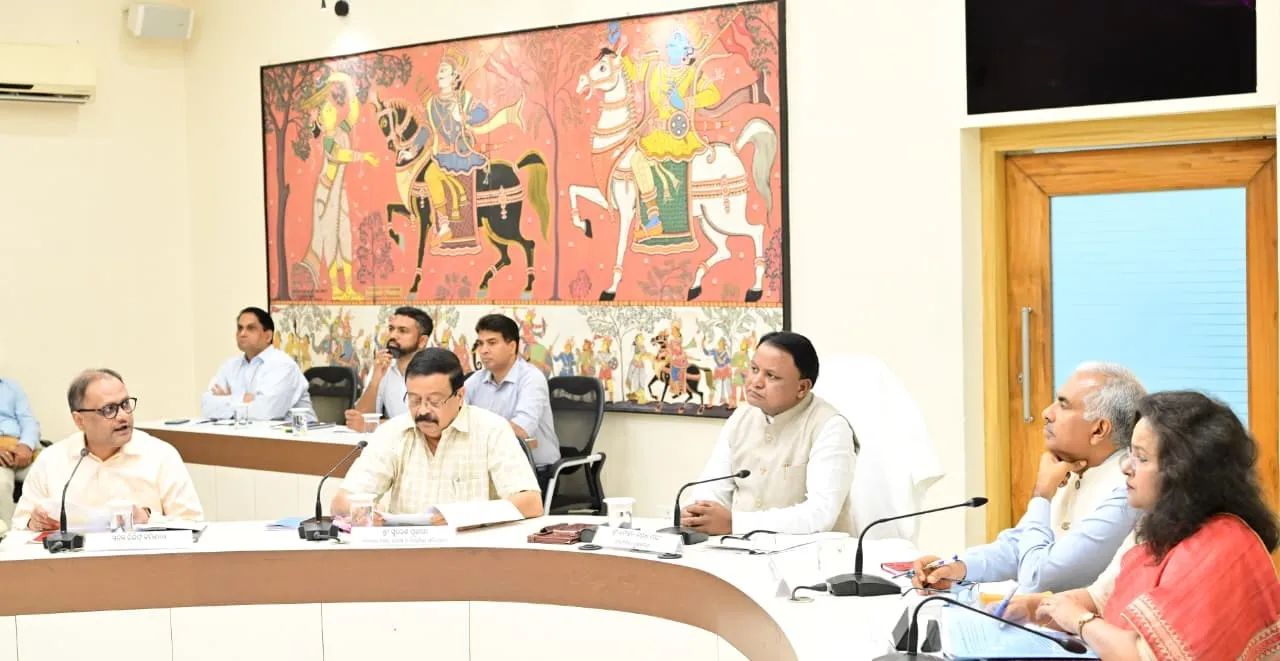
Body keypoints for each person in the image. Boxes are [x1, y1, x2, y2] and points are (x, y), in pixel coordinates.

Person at [1000, 391, 1280, 661]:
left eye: (1142, 457)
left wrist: (1080, 621)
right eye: (1129, 453)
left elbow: (1147, 656)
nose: (1126, 467)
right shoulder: (1158, 523)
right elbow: (1100, 597)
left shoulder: (1222, 546)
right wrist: (1034, 608)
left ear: (1184, 472)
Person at [913, 362, 1145, 593]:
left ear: (1098, 430)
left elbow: (1038, 577)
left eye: (1063, 405)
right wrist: (957, 569)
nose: (1047, 413)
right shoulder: (1071, 468)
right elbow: (1017, 547)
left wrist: (1041, 495)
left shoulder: (1128, 489)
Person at [330, 348, 542, 523]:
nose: (422, 411)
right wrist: (366, 516)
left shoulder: (492, 430)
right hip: (404, 555)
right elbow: (342, 501)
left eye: (434, 401)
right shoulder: (392, 433)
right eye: (414, 400)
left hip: (473, 555)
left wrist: (459, 517)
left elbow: (530, 502)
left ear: (459, 395)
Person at [679, 331, 857, 535]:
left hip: (809, 556)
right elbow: (713, 487)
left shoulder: (829, 426)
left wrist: (735, 524)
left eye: (771, 376)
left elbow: (821, 514)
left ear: (802, 387)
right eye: (754, 369)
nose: (755, 381)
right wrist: (699, 512)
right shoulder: (741, 417)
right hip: (738, 548)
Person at [13, 369, 203, 531]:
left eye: (125, 404)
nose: (122, 416)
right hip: (72, 570)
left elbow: (193, 524)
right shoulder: (52, 460)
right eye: (109, 409)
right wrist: (34, 523)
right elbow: (20, 524)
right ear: (80, 420)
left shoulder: (161, 455)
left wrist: (147, 518)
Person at [464, 314, 560, 472]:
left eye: (492, 343)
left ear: (512, 347)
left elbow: (521, 431)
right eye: (480, 344)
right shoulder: (477, 378)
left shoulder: (532, 378)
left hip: (533, 469)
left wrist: (474, 433)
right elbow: (453, 412)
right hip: (490, 464)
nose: (483, 351)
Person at [201, 307, 315, 422]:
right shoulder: (229, 366)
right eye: (240, 328)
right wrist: (247, 398)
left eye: (250, 328)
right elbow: (207, 407)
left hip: (295, 436)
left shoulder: (282, 365)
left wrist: (227, 400)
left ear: (268, 336)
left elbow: (266, 412)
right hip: (246, 434)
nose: (242, 333)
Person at [345, 307, 432, 430]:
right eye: (391, 329)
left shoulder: (435, 370)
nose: (393, 335)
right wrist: (375, 380)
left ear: (422, 341)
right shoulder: (383, 367)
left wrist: (372, 425)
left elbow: (425, 424)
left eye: (403, 331)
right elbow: (359, 419)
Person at [0, 377, 40, 526]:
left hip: (19, 449)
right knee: (1, 483)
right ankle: (9, 537)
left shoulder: (12, 388)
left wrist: (26, 445)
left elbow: (29, 421)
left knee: (52, 474)